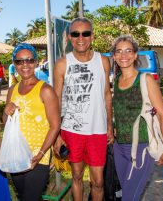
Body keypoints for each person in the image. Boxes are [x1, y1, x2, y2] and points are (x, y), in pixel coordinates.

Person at [53, 17, 114, 201]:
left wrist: (110, 126)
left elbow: (106, 95)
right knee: (77, 177)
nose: (81, 38)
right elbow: (57, 100)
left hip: (98, 130)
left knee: (98, 182)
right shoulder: (63, 64)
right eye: (75, 34)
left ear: (92, 36)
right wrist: (56, 135)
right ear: (69, 37)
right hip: (72, 131)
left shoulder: (103, 61)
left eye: (85, 33)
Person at [111, 35, 163, 200]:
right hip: (120, 148)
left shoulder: (145, 79)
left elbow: (162, 114)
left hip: (142, 148)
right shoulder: (116, 81)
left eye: (128, 51)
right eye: (119, 51)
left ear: (135, 54)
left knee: (129, 198)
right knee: (128, 193)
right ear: (114, 56)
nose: (124, 55)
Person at [3, 43, 60, 201]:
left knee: (30, 197)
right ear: (15, 64)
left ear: (35, 62)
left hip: (37, 156)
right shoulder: (12, 90)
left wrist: (41, 153)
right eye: (20, 61)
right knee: (23, 195)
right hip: (16, 153)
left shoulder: (45, 90)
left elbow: (55, 126)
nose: (25, 65)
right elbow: (6, 121)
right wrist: (6, 111)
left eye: (29, 60)